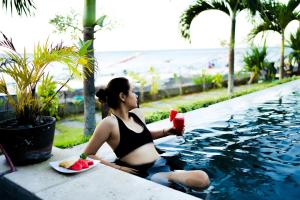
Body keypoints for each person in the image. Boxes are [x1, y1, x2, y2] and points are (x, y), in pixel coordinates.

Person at [83, 77, 210, 190]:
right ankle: (161, 179)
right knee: (202, 178)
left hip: (162, 164)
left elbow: (142, 136)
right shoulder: (109, 123)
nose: (136, 95)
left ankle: (166, 179)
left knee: (198, 179)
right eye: (132, 91)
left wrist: (167, 132)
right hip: (144, 172)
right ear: (122, 96)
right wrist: (120, 169)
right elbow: (87, 155)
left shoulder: (137, 115)